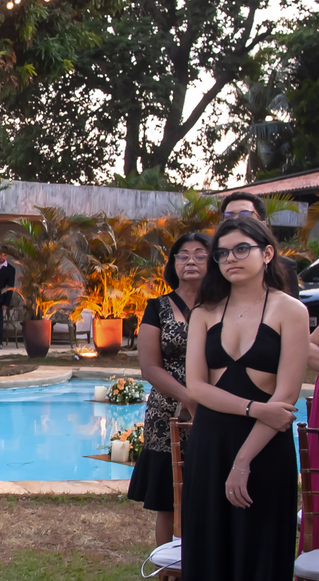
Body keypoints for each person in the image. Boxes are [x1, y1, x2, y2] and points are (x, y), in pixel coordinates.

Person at [182, 217, 309, 580]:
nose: (230, 259)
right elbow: (197, 387)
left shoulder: (290, 311)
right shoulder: (204, 313)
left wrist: (242, 461)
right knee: (209, 551)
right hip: (210, 447)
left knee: (260, 553)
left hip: (264, 450)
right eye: (221, 253)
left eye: (241, 249)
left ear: (267, 253)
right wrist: (254, 408)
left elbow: (285, 397)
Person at [127, 232, 209, 547]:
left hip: (215, 410)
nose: (190, 260)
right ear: (173, 264)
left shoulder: (222, 306)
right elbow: (150, 367)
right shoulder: (157, 307)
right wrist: (188, 397)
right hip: (167, 413)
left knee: (209, 490)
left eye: (200, 254)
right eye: (183, 255)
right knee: (168, 498)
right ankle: (168, 570)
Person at [220, 192, 300, 298]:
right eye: (229, 217)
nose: (236, 220)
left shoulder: (285, 268)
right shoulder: (214, 264)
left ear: (262, 225)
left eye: (245, 215)